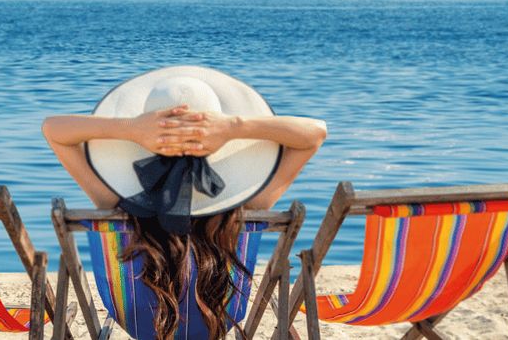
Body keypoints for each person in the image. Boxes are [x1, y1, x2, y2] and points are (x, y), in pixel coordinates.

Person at [43, 66, 326, 339]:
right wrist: (233, 126)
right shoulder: (247, 206)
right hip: (217, 321)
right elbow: (315, 134)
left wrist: (132, 129)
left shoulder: (114, 200)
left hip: (139, 324)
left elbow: (52, 129)